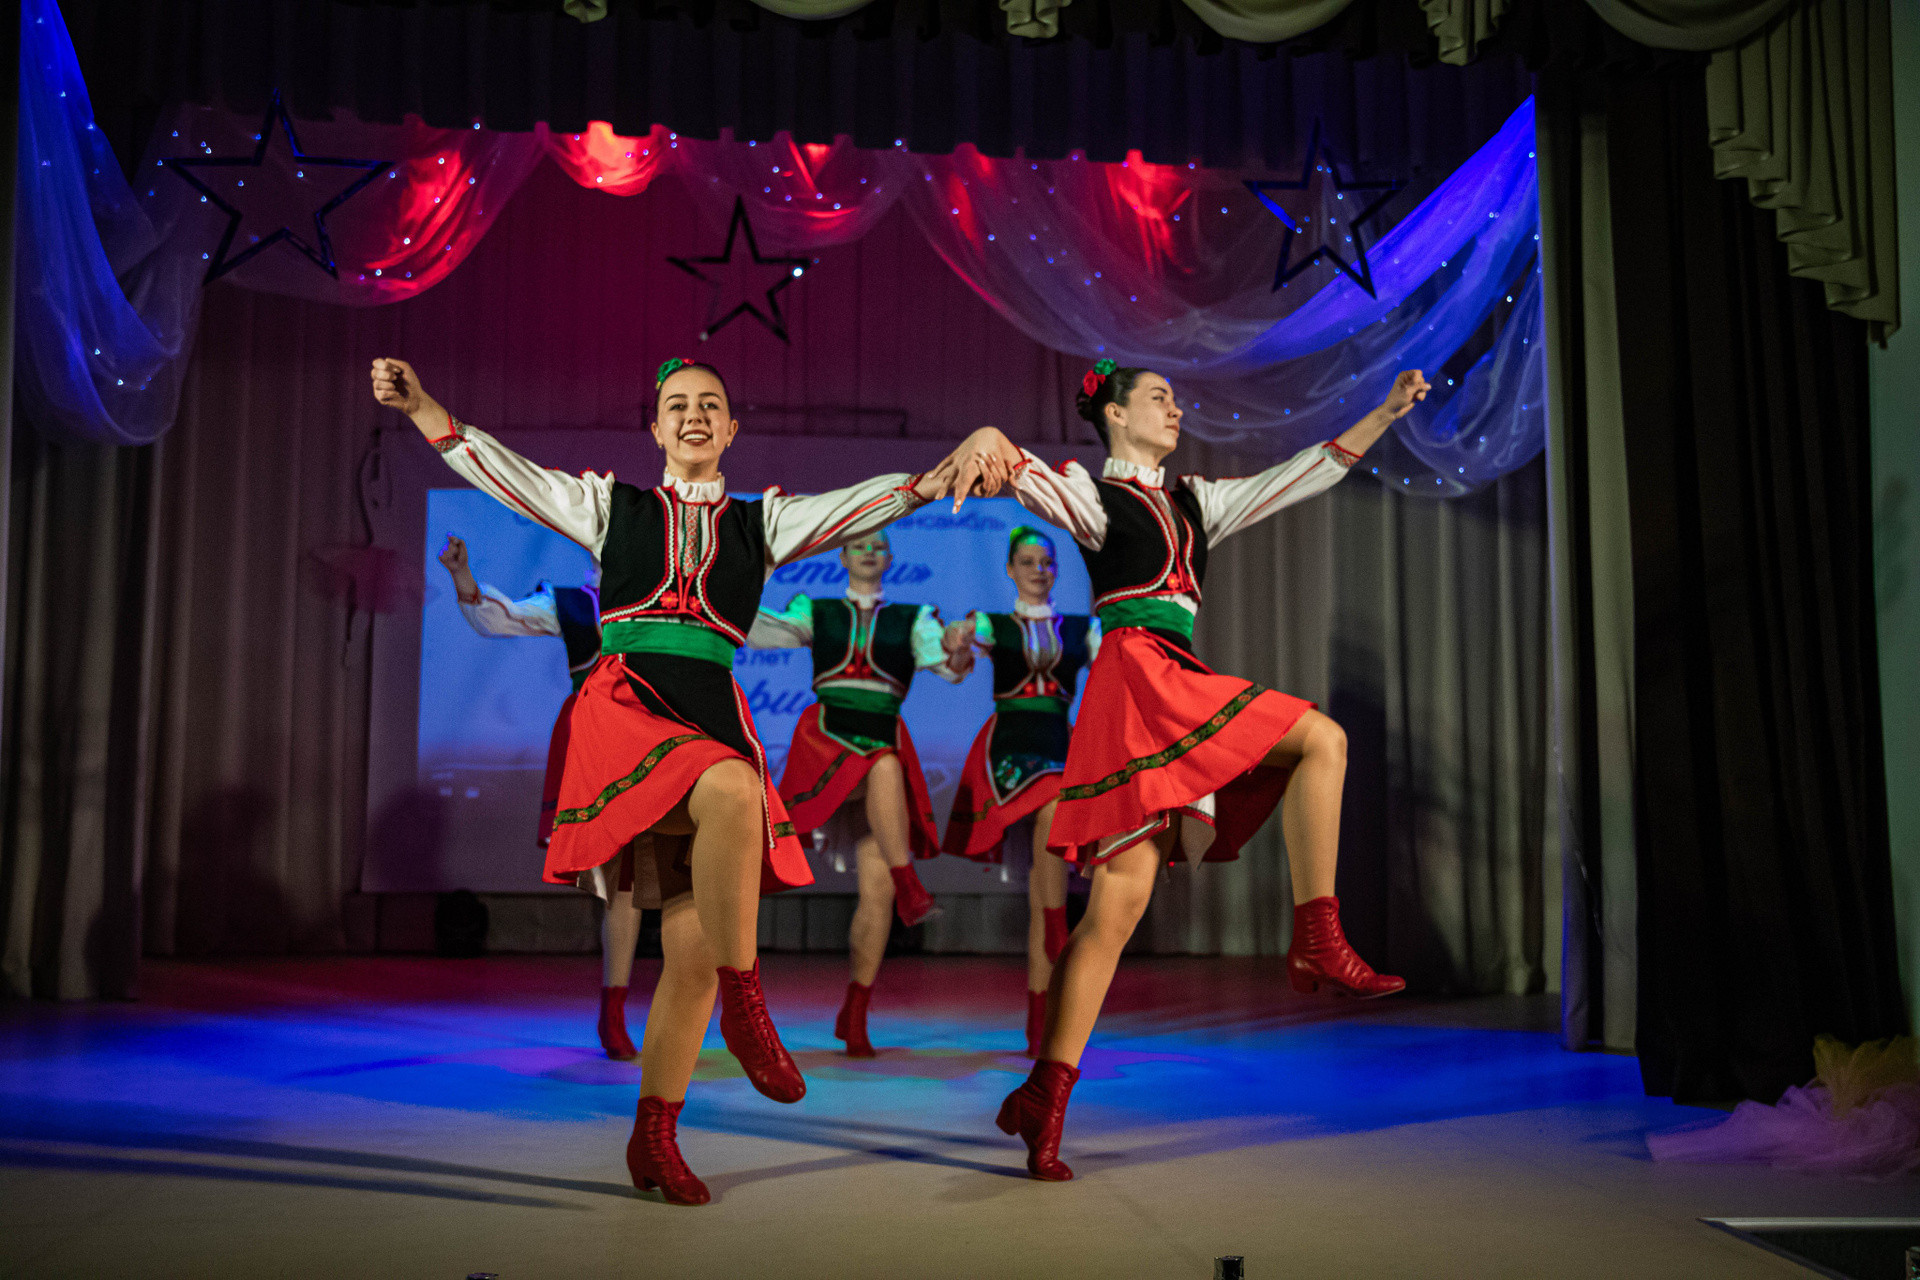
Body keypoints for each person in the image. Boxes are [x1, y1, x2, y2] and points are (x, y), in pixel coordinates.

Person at [372, 354, 968, 1206]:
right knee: (733, 788)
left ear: (732, 429)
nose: (694, 415)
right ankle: (748, 1007)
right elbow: (509, 476)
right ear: (654, 427)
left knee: (690, 952)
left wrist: (948, 471)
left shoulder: (763, 522)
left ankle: (653, 1138)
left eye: (710, 405)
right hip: (629, 705)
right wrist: (425, 406)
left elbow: (865, 503)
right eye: (677, 405)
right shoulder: (610, 507)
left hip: (712, 705)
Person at [940, 359, 1430, 1181]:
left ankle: (1041, 1097)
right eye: (1158, 398)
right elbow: (1022, 476)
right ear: (1116, 415)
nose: (1175, 409)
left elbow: (1300, 474)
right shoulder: (1094, 497)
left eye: (1175, 399)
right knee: (1122, 904)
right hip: (1137, 678)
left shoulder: (1199, 501)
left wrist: (1383, 414)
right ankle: (1311, 940)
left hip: (1174, 675)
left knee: (1313, 749)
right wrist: (989, 434)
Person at [748, 531, 970, 1057]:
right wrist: (739, 582)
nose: (869, 552)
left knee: (877, 890)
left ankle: (855, 1009)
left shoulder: (914, 618)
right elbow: (763, 633)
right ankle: (911, 881)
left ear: (890, 559)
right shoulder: (815, 609)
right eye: (860, 546)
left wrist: (959, 648)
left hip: (881, 736)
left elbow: (950, 668)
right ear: (843, 556)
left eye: (878, 547)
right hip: (827, 737)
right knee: (885, 763)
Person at [437, 535, 643, 1061]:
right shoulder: (572, 602)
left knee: (640, 883)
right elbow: (500, 618)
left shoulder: (659, 604)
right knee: (621, 882)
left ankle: (623, 1008)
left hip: (649, 738)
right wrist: (463, 576)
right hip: (596, 739)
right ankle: (613, 1012)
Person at [939, 526, 1098, 1057]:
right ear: (1009, 569)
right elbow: (957, 668)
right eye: (1027, 562)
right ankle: (1057, 924)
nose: (1038, 570)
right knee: (1053, 806)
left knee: (1040, 887)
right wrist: (956, 645)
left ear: (1057, 569)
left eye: (1046, 562)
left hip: (1059, 742)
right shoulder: (990, 623)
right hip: (1009, 748)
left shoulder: (1083, 628)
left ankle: (1038, 1023)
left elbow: (1115, 673)